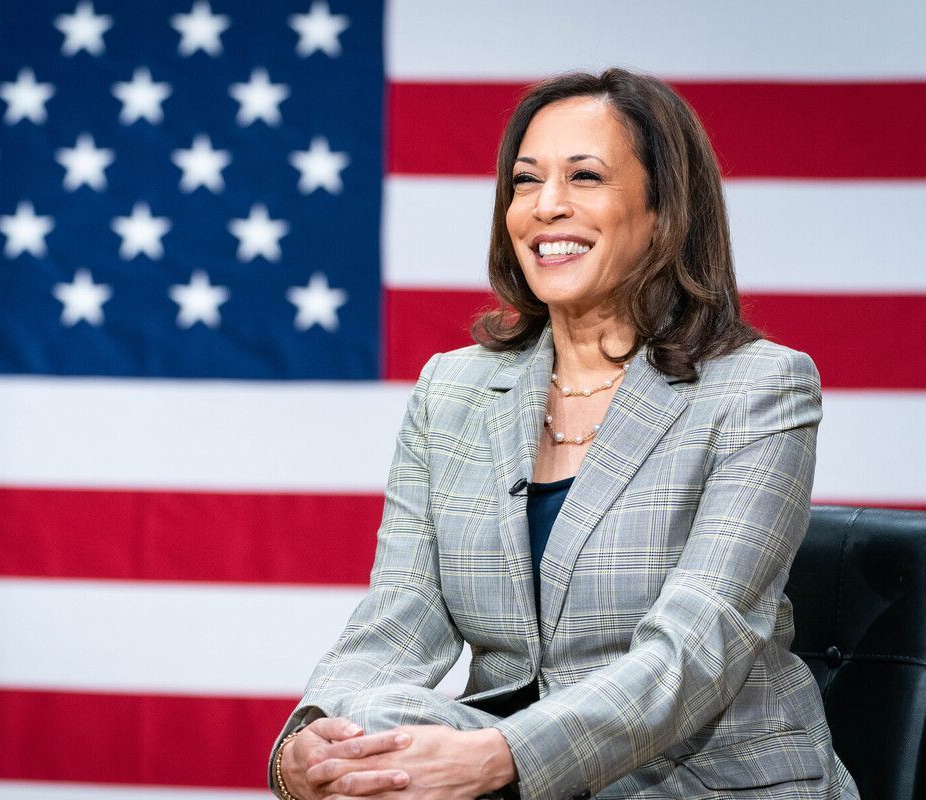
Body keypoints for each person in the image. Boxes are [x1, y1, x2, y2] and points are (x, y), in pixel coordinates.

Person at [268, 68, 860, 800]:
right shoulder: (451, 390)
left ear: (663, 210)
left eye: (585, 177)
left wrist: (501, 757)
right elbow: (401, 614)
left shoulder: (759, 388)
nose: (546, 206)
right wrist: (312, 742)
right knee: (380, 725)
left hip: (697, 778)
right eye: (525, 181)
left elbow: (697, 647)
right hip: (504, 770)